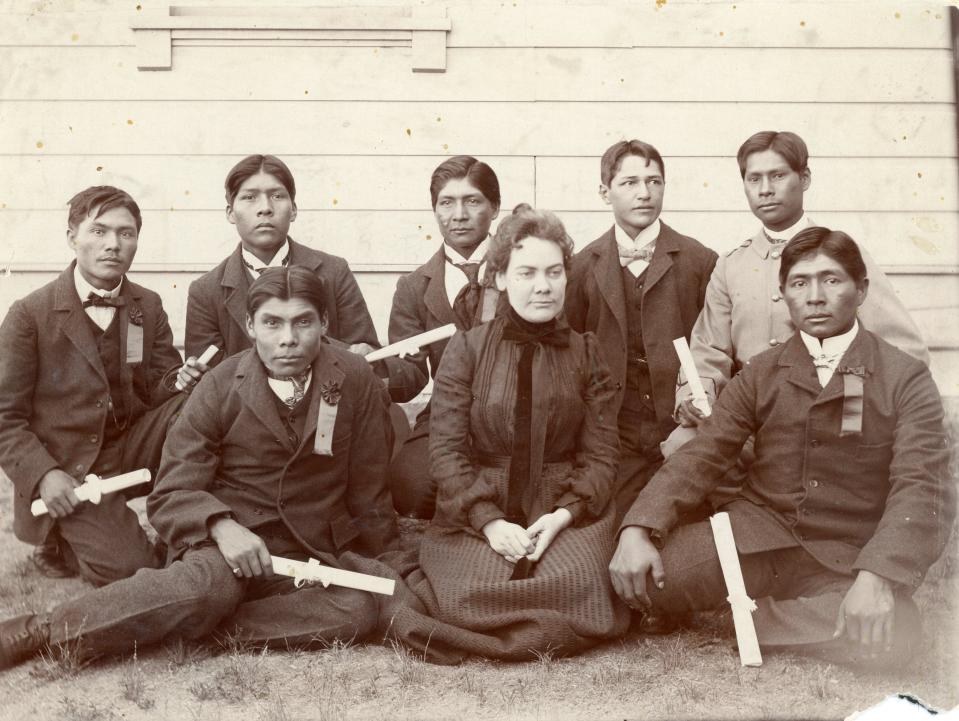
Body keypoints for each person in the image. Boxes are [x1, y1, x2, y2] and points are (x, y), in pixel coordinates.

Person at [0, 266, 399, 671]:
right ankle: (42, 630)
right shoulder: (220, 383)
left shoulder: (354, 376)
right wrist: (221, 528)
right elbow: (171, 491)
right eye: (272, 323)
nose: (288, 340)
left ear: (325, 323)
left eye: (303, 322)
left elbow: (369, 485)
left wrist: (383, 553)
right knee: (208, 589)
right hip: (221, 540)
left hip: (307, 548)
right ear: (249, 325)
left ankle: (194, 627)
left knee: (358, 610)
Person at [609, 228, 954, 668]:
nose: (814, 296)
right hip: (758, 535)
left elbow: (922, 486)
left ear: (861, 289)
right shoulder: (761, 371)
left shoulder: (904, 377)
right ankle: (797, 615)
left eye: (831, 280)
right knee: (652, 578)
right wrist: (640, 527)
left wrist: (878, 576)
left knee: (897, 633)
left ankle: (752, 620)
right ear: (785, 294)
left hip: (847, 555)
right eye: (799, 283)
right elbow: (705, 452)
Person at [380, 205, 628, 664]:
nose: (543, 286)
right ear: (499, 278)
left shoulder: (587, 351)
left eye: (554, 272)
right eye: (528, 272)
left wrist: (563, 516)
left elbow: (601, 455)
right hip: (479, 506)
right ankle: (520, 616)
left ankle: (514, 615)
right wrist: (490, 522)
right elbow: (447, 451)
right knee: (464, 588)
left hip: (558, 510)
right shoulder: (468, 348)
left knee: (581, 580)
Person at [0, 186, 198, 585]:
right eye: (99, 231)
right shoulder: (29, 315)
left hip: (130, 446)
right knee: (133, 572)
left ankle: (195, 535)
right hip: (69, 468)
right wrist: (43, 475)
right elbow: (5, 417)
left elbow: (159, 389)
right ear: (72, 236)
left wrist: (182, 382)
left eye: (126, 233)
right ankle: (65, 539)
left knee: (201, 406)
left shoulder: (148, 304)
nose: (113, 245)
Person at [673, 131, 927, 434]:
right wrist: (698, 396)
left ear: (804, 179)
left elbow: (901, 347)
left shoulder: (842, 253)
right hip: (750, 420)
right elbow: (708, 350)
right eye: (754, 179)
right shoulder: (732, 265)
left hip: (827, 416)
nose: (765, 190)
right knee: (683, 445)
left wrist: (854, 410)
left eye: (777, 175)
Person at [565, 140, 717, 520]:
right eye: (630, 182)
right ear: (605, 192)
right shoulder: (581, 267)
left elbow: (715, 347)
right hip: (613, 433)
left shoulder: (700, 261)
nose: (644, 193)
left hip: (681, 427)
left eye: (654, 181)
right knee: (611, 524)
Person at [387, 156, 505, 518]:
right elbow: (410, 378)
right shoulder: (413, 287)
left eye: (473, 201)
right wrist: (377, 369)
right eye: (446, 203)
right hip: (444, 419)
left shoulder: (522, 272)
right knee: (411, 488)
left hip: (510, 417)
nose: (459, 214)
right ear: (434, 210)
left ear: (494, 208)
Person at [184, 154, 384, 365]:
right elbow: (209, 378)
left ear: (294, 210)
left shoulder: (334, 271)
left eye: (277, 196)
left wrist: (361, 354)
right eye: (249, 197)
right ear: (230, 213)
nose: (265, 208)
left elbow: (367, 354)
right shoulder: (206, 291)